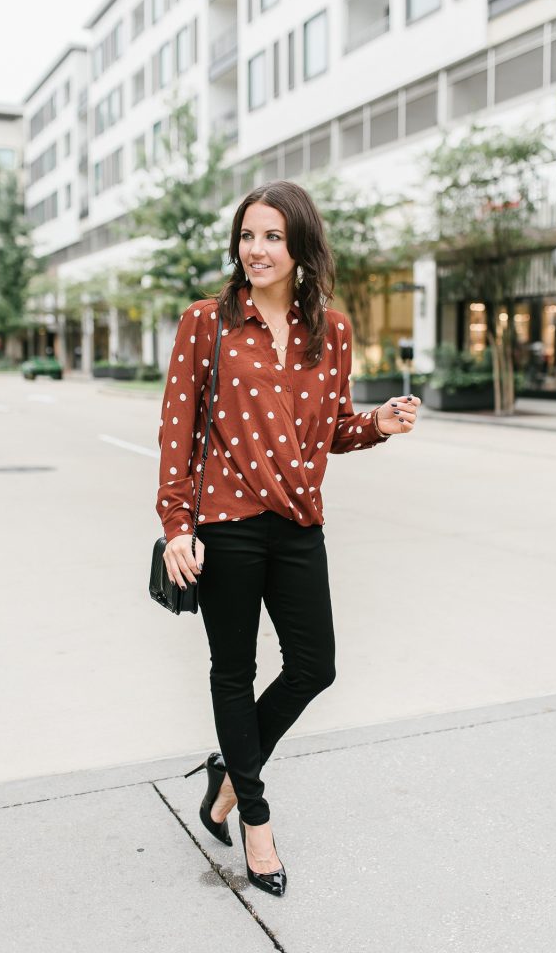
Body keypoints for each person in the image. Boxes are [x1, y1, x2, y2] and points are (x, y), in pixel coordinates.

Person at [156, 180, 421, 896]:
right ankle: (256, 817)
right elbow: (177, 430)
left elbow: (332, 428)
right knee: (232, 672)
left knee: (315, 665)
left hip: (300, 523)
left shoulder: (331, 330)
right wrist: (177, 524)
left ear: (301, 246)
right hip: (227, 526)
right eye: (248, 236)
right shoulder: (206, 323)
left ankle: (226, 776)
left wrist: (378, 426)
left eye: (272, 236)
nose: (257, 250)